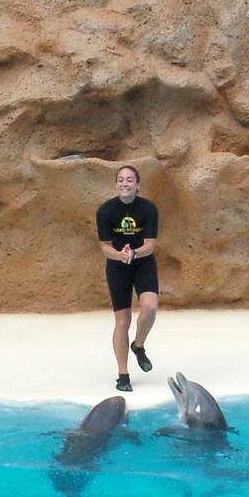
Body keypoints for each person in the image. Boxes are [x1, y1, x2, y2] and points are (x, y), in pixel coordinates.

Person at [96, 165, 159, 392]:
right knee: (122, 321)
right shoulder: (106, 210)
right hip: (117, 266)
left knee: (150, 307)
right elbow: (105, 246)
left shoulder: (148, 208)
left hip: (143, 262)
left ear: (137, 184)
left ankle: (138, 345)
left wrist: (134, 253)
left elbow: (150, 244)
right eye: (121, 179)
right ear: (116, 184)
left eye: (130, 179)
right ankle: (123, 375)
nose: (125, 183)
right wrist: (120, 255)